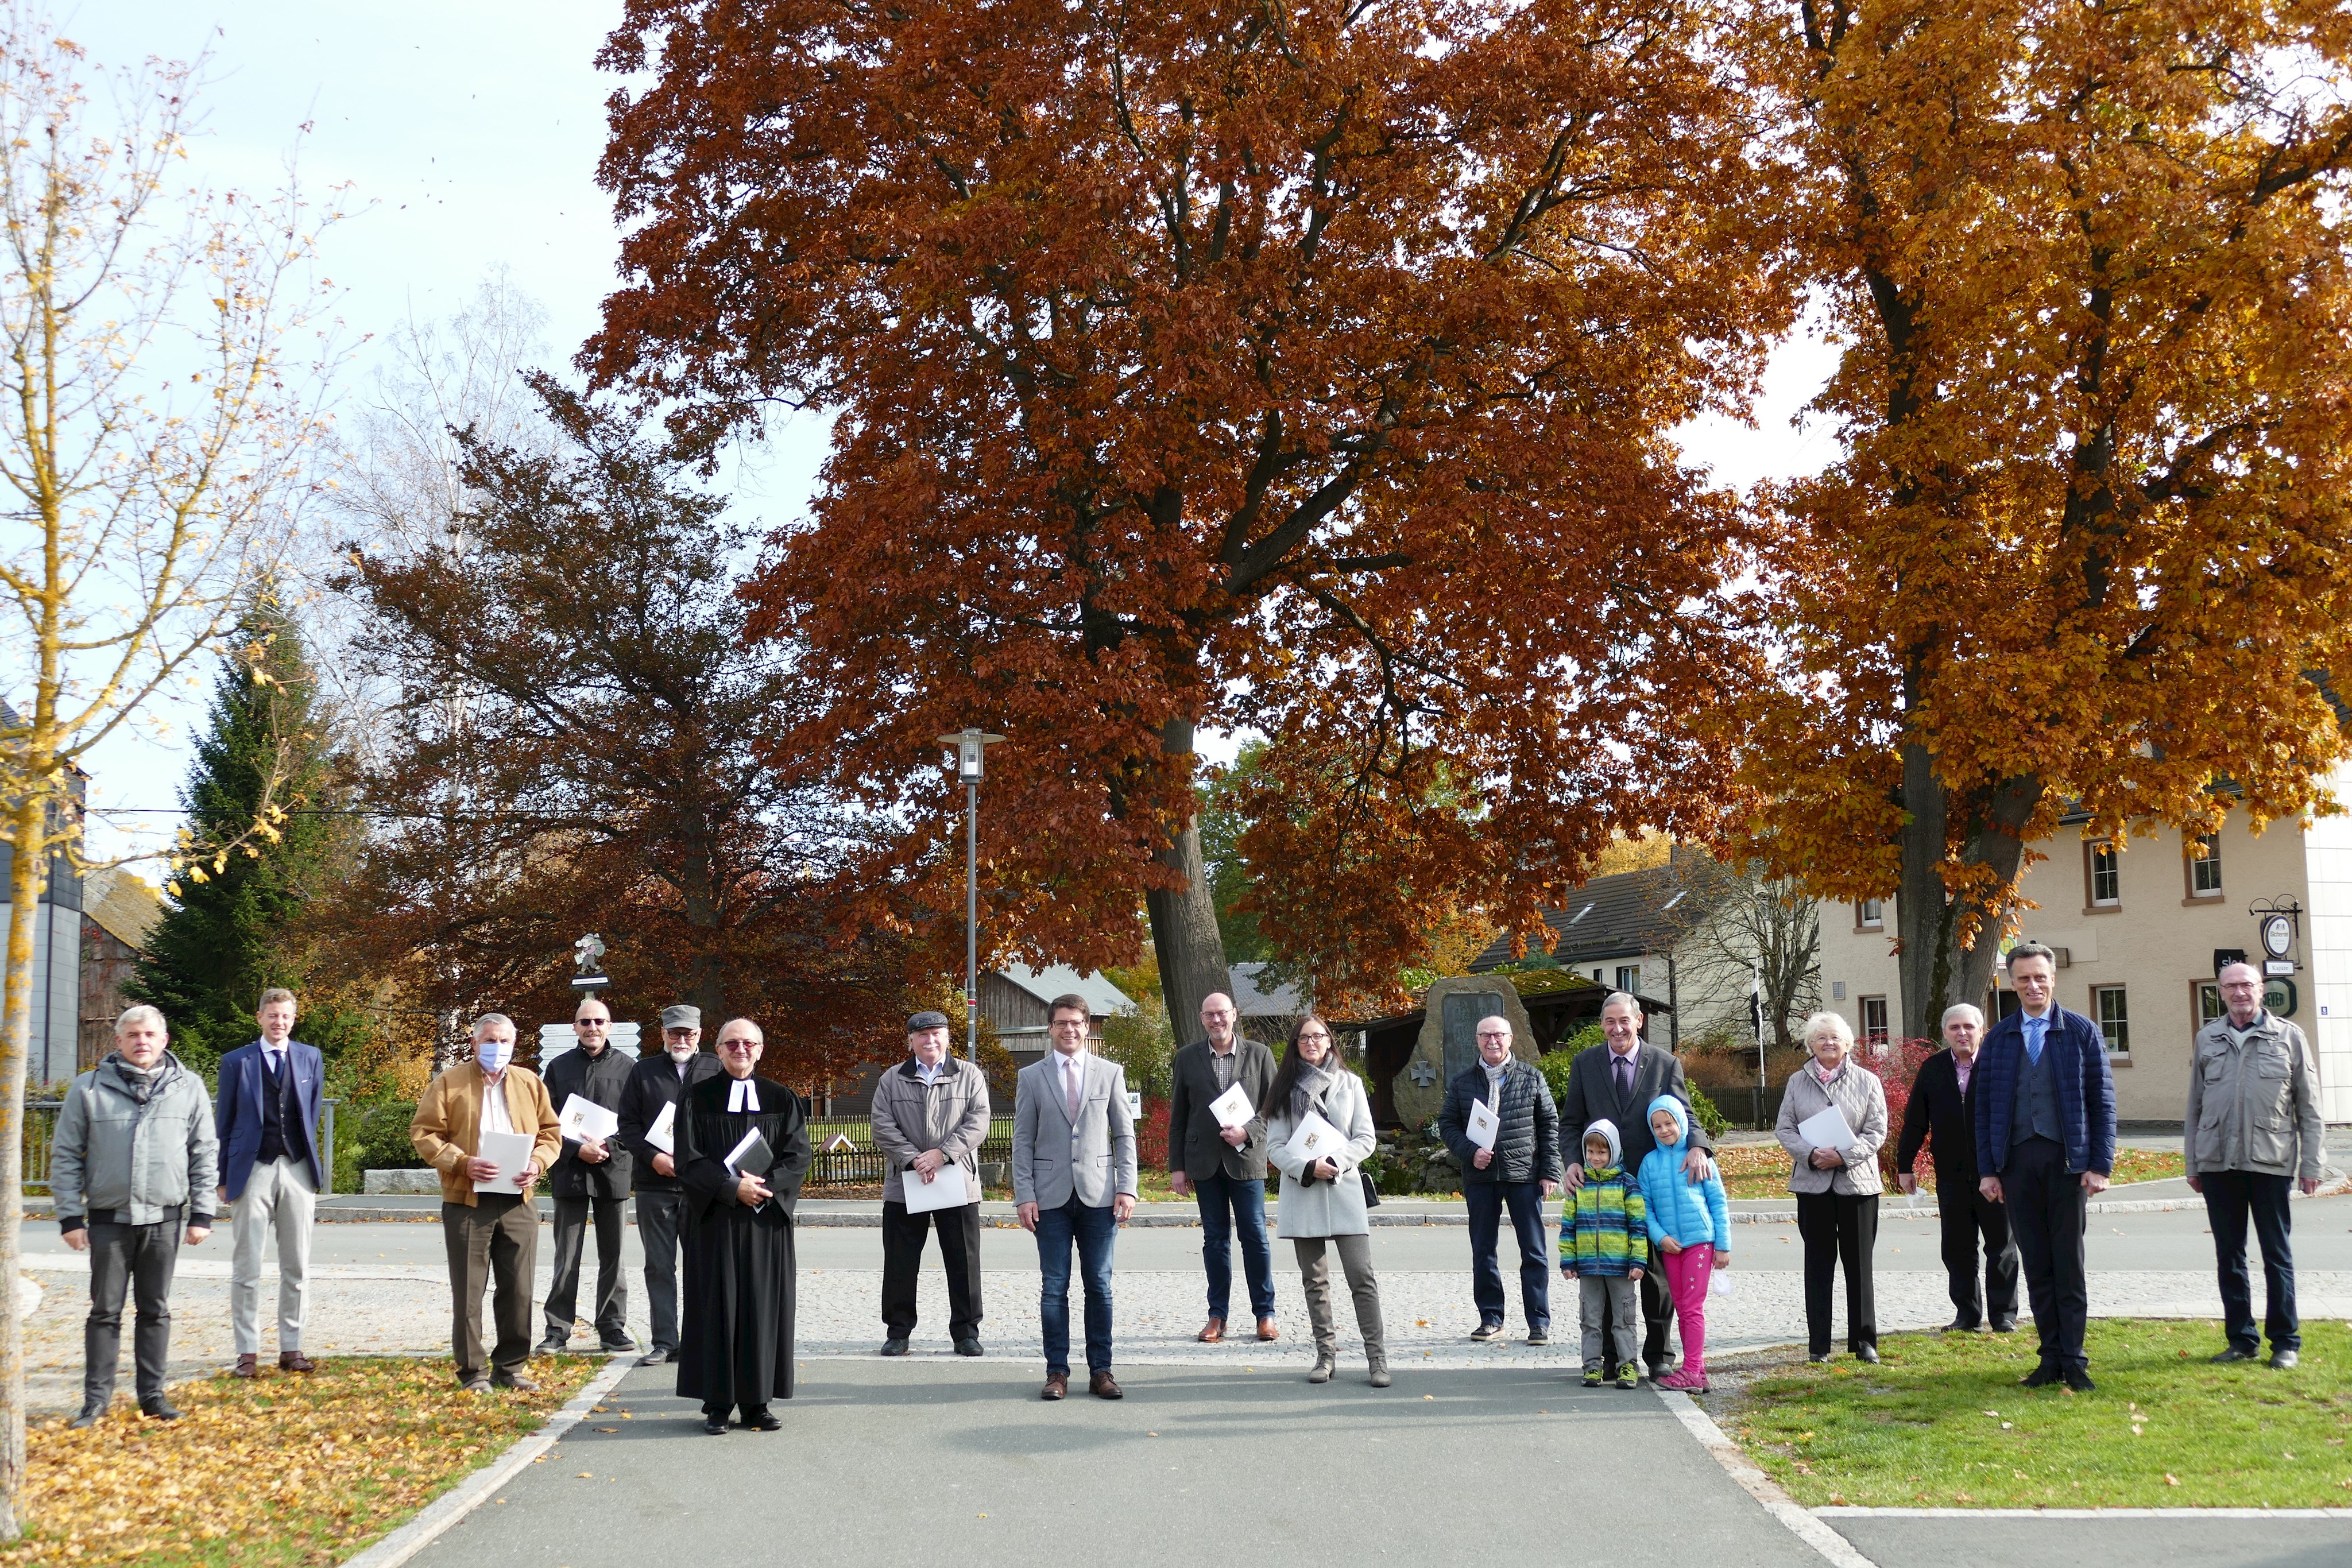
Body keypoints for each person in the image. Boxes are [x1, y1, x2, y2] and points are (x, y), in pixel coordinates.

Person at [52, 1005, 218, 1426]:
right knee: (104, 1311)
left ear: (164, 1041)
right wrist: (70, 1217)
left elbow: (204, 1152)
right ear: (119, 1041)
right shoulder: (89, 1088)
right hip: (109, 1220)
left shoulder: (189, 1087)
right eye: (133, 1035)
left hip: (164, 1219)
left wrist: (202, 1213)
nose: (142, 1041)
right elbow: (66, 1154)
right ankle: (95, 1402)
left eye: (149, 1034)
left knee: (155, 1309)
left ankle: (153, 1397)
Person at [1973, 940, 2115, 1392]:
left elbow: (2102, 1102)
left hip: (2068, 1164)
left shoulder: (2081, 1031)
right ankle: (2049, 1357)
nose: (2033, 985)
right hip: (2017, 1164)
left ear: (2053, 979)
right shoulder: (1998, 1038)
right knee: (2035, 1263)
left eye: (2040, 977)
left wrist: (2100, 1165)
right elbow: (1983, 1111)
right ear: (2012, 983)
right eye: (2024, 979)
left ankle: (2075, 1359)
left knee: (2068, 1263)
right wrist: (1989, 1170)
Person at [1557, 993, 1718, 1378]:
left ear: (1639, 1020)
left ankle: (1659, 1354)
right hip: (1603, 1187)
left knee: (1657, 1273)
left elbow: (1685, 1113)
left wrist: (1698, 1146)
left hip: (1653, 1185)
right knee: (1609, 1268)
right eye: (1609, 1021)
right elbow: (1571, 1122)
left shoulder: (1664, 1063)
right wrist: (1572, 1161)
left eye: (1624, 1021)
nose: (1617, 1029)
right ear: (1602, 1024)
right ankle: (1611, 1357)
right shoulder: (1585, 1064)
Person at [409, 1013, 563, 1393]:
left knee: (520, 1289)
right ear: (475, 1043)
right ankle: (473, 1372)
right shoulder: (449, 1082)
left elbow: (551, 1133)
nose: (498, 1047)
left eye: (505, 1041)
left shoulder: (530, 1082)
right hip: (467, 1200)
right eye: (490, 1041)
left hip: (518, 1200)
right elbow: (424, 1133)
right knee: (469, 1291)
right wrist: (462, 1162)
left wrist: (537, 1163)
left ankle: (510, 1368)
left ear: (515, 1043)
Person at [674, 1017, 814, 1434]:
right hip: (714, 1220)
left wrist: (763, 1188)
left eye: (749, 1043)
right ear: (717, 1050)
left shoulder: (781, 1097)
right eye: (731, 1043)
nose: (741, 1049)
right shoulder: (696, 1097)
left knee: (761, 1306)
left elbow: (798, 1155)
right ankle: (717, 1403)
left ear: (760, 1049)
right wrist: (731, 1187)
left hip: (765, 1220)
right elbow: (688, 1157)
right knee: (715, 1306)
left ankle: (757, 1403)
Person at [2185, 961, 2326, 1370]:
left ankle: (2285, 1341)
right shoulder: (2207, 1038)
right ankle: (2241, 1340)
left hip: (2271, 1161)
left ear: (2261, 989)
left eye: (2246, 984)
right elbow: (2194, 1106)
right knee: (2229, 1255)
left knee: (2276, 1254)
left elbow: (2310, 1107)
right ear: (2221, 992)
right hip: (2217, 1163)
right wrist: (2193, 1162)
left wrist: (2313, 1163)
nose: (2239, 992)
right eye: (2230, 986)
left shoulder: (2289, 1036)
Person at [1012, 993, 1138, 1400]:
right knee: (1054, 1287)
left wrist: (1127, 1187)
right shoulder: (1031, 1076)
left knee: (1099, 1285)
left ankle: (1102, 1371)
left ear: (1087, 1027)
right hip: (1048, 1197)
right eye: (1062, 1023)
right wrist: (1024, 1194)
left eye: (1076, 1023)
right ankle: (1057, 1372)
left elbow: (1124, 1135)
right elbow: (1022, 1141)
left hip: (1099, 1196)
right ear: (1050, 1028)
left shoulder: (1110, 1073)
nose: (1069, 1029)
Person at [1264, 1015, 1387, 1387]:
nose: (1311, 1043)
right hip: (1303, 1191)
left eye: (1318, 1036)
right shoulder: (1283, 1088)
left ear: (1329, 1041)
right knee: (1314, 1281)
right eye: (1304, 1038)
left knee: (1362, 1277)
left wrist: (1334, 1160)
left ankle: (1377, 1360)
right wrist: (1307, 1167)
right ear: (1295, 1044)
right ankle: (1326, 1355)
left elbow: (1366, 1138)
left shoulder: (1350, 1083)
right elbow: (1275, 1147)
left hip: (1344, 1187)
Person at [214, 986, 325, 1378]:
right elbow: (224, 1123)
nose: (280, 1022)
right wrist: (223, 1177)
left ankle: (292, 1347)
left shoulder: (310, 1057)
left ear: (294, 1020)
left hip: (297, 1168)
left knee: (297, 1264)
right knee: (247, 1266)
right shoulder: (235, 1062)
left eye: (286, 1016)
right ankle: (247, 1351)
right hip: (251, 1170)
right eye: (273, 1015)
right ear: (260, 1017)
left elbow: (311, 1114)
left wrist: (306, 1165)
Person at [870, 1009, 992, 1357]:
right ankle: (898, 1332)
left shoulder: (969, 1075)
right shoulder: (891, 1079)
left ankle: (966, 1333)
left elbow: (979, 1121)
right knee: (900, 1262)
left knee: (963, 1261)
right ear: (911, 1041)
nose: (930, 1040)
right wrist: (913, 1159)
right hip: (905, 1182)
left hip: (957, 1180)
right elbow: (881, 1125)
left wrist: (943, 1154)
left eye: (937, 1034)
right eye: (922, 1035)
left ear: (948, 1038)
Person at [1895, 1002, 2019, 1333]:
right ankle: (1967, 1315)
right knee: (1957, 1248)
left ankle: (2004, 1315)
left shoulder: (1998, 1065)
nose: (1962, 1033)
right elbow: (1915, 1121)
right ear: (1945, 1033)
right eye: (1955, 1028)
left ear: (1982, 1031)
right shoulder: (1933, 1069)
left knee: (2002, 1247)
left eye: (1969, 1027)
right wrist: (1905, 1165)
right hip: (1951, 1174)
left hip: (1996, 1172)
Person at [1437, 1015, 1561, 1346]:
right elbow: (1447, 1124)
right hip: (1480, 1177)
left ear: (1510, 1038)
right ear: (1477, 1040)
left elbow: (1549, 1125)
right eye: (1485, 1035)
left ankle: (1539, 1323)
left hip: (1524, 1175)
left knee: (1534, 1251)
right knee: (1483, 1251)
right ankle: (1491, 1318)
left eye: (1498, 1035)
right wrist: (1470, 1152)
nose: (1492, 1041)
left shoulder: (1532, 1078)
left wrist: (1550, 1171)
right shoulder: (1463, 1082)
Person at [1166, 990, 1281, 1344]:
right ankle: (1218, 1315)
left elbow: (1273, 1108)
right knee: (1215, 1242)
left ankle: (1265, 1315)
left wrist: (1248, 1131)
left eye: (1222, 1013)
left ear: (1234, 1014)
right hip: (1204, 1163)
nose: (1216, 1020)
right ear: (1202, 1018)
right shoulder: (1187, 1057)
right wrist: (1177, 1167)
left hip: (1246, 1161)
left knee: (1255, 1238)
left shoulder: (1259, 1054)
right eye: (1209, 1015)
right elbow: (1178, 1115)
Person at [1776, 1011, 1887, 1364]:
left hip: (1858, 1186)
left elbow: (1877, 1131)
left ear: (1848, 1043)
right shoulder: (1797, 1082)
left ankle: (1864, 1342)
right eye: (1821, 1037)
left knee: (1860, 1267)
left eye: (1835, 1037)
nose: (1828, 1043)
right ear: (1811, 1044)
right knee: (1818, 1266)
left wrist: (1843, 1156)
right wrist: (1811, 1155)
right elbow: (1784, 1128)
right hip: (1813, 1186)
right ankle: (1818, 1345)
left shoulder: (1868, 1080)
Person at [617, 1004, 722, 1366]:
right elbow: (627, 1125)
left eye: (688, 1034)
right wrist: (653, 1158)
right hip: (654, 1186)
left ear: (699, 1035)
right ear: (662, 1034)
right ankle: (665, 1341)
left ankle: (699, 1340)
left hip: (701, 1187)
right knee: (659, 1266)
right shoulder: (643, 1071)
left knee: (702, 1266)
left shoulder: (715, 1068)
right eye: (675, 1033)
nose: (681, 1040)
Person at [539, 997, 636, 1354]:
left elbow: (636, 1121)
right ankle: (557, 1331)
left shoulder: (629, 1068)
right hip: (571, 1172)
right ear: (575, 1027)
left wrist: (609, 1145)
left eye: (598, 1021)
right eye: (585, 1022)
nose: (592, 1028)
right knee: (566, 1257)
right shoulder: (558, 1068)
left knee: (614, 1256)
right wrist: (576, 1150)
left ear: (609, 1026)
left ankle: (612, 1328)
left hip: (613, 1171)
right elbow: (545, 1121)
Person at [1639, 1097, 1731, 1392]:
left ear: (1681, 1122)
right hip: (1671, 1247)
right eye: (1657, 1126)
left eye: (1669, 1123)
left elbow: (1718, 1202)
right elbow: (1645, 1207)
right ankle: (1698, 1372)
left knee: (1691, 1307)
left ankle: (1691, 1369)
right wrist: (1660, 1238)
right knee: (1681, 1307)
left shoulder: (1699, 1158)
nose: (1664, 1130)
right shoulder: (1649, 1163)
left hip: (1700, 1242)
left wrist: (1723, 1245)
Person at [1558, 1118, 1647, 1389]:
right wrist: (1568, 1259)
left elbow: (1638, 1226)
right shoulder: (1579, 1186)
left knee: (1624, 1319)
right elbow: (1568, 1226)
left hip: (1620, 1266)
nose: (1596, 1158)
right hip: (1588, 1267)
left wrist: (1638, 1260)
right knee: (1590, 1319)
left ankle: (1628, 1366)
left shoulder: (1627, 1184)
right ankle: (1592, 1367)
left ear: (1614, 1152)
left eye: (1602, 1152)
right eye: (1591, 1152)